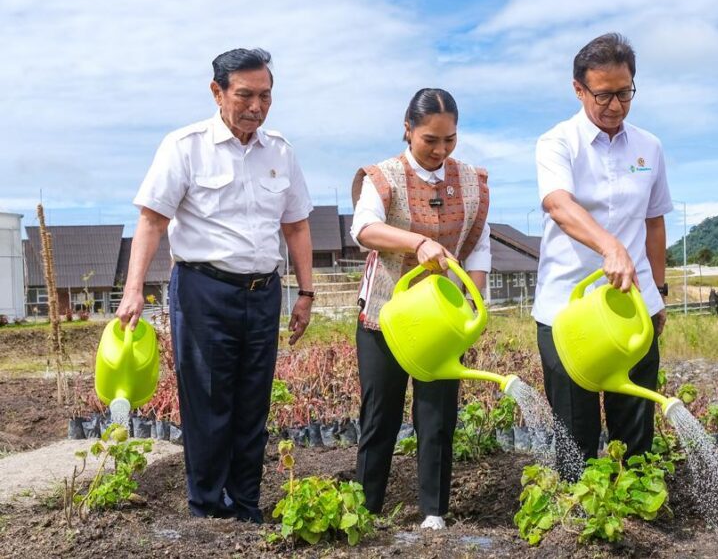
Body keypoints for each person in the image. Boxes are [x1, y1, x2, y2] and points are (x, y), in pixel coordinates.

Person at [117, 48, 315, 522]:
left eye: (265, 96)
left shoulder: (280, 152)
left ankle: (246, 505)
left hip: (263, 292)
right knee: (208, 402)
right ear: (217, 92)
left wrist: (305, 292)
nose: (256, 106)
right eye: (245, 94)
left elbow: (297, 227)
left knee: (253, 403)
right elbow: (151, 220)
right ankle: (207, 509)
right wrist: (132, 290)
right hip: (203, 292)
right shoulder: (184, 146)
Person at [349, 88, 490, 531]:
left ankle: (433, 511)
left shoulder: (469, 180)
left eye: (449, 140)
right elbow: (364, 228)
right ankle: (365, 508)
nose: (440, 150)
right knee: (380, 416)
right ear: (408, 130)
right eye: (430, 139)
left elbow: (479, 248)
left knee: (437, 415)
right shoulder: (383, 177)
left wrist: (474, 304)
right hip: (385, 315)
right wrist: (417, 241)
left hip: (442, 318)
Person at [532, 33, 672, 473]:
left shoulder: (649, 147)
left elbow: (653, 222)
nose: (615, 105)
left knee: (635, 429)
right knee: (576, 430)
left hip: (633, 306)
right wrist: (608, 245)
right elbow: (559, 204)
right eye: (603, 95)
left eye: (625, 92)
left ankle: (636, 518)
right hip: (567, 310)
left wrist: (659, 291)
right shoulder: (557, 143)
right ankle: (580, 524)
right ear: (579, 89)